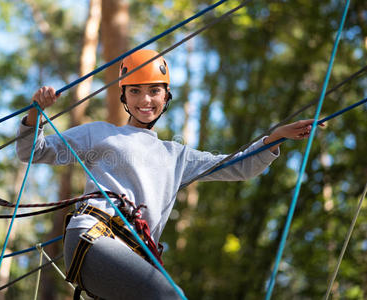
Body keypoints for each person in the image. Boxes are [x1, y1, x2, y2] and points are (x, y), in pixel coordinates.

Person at [16, 49, 320, 300]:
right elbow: (33, 150)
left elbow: (240, 165)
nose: (144, 100)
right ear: (123, 96)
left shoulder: (177, 156)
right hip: (94, 235)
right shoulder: (99, 134)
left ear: (166, 96)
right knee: (169, 297)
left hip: (136, 255)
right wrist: (35, 114)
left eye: (153, 91)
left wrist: (274, 139)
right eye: (134, 91)